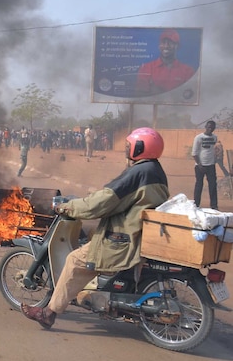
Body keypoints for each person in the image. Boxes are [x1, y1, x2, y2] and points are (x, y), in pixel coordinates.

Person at [21, 127, 169, 329]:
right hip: (139, 232)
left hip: (122, 238)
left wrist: (68, 207)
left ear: (140, 148)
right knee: (91, 235)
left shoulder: (139, 172)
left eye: (129, 146)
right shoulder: (156, 171)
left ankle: (49, 312)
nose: (126, 149)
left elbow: (102, 202)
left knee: (74, 260)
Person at [135, 29, 196, 95]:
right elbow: (140, 95)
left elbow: (188, 96)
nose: (166, 46)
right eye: (163, 42)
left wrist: (158, 91)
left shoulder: (188, 71)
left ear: (177, 46)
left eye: (170, 42)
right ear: (159, 45)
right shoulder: (146, 68)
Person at [193, 120, 219, 210]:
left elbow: (212, 150)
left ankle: (214, 205)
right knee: (199, 184)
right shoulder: (198, 137)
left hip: (211, 165)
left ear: (214, 128)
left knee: (213, 185)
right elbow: (194, 153)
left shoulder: (215, 137)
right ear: (205, 127)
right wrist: (200, 165)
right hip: (200, 165)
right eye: (208, 127)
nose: (210, 129)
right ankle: (196, 204)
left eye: (212, 127)